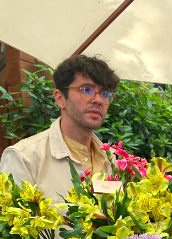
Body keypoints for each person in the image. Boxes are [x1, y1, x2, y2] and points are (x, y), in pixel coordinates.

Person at [0, 55, 120, 204]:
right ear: (60, 98)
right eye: (87, 90)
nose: (99, 100)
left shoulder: (112, 159)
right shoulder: (24, 158)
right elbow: (12, 223)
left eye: (105, 94)